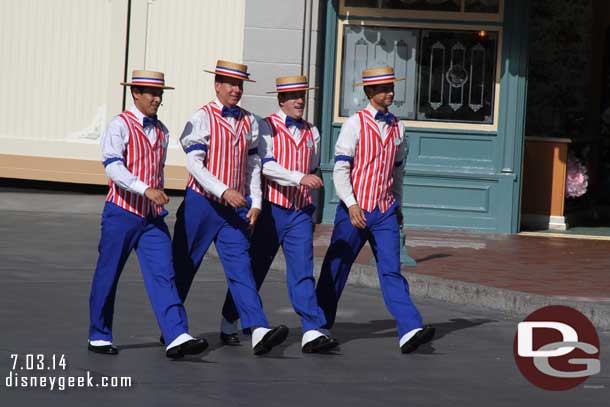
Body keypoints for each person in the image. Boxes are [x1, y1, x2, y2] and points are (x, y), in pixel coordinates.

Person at [315, 66, 435, 354]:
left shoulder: (398, 127)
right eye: (384, 89)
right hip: (355, 210)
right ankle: (318, 326)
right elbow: (341, 169)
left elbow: (398, 172)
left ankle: (409, 328)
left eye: (391, 87)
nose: (390, 92)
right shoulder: (354, 124)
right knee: (337, 266)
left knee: (391, 269)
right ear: (370, 93)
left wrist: (398, 205)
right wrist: (351, 204)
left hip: (384, 210)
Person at [88, 70, 207, 359]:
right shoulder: (120, 125)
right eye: (151, 93)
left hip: (152, 218)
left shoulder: (162, 131)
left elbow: (156, 167)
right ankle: (99, 334)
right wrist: (145, 189)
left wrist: (155, 195)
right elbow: (113, 168)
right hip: (122, 212)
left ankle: (176, 334)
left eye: (160, 94)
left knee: (164, 274)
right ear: (135, 94)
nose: (157, 98)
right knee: (109, 272)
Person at [173, 60, 288, 355]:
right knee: (185, 266)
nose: (236, 90)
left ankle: (258, 328)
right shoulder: (201, 118)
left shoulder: (250, 121)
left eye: (240, 85)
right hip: (202, 203)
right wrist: (223, 190)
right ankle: (172, 328)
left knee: (241, 269)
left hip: (234, 209)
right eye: (230, 84)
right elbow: (194, 165)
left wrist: (257, 201)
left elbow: (253, 164)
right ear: (217, 85)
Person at [221, 76, 338, 353]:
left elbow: (312, 165)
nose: (300, 101)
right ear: (281, 100)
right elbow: (267, 166)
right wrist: (300, 178)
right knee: (255, 268)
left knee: (302, 271)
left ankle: (312, 329)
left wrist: (304, 184)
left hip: (299, 212)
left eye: (302, 96)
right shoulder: (266, 126)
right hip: (273, 210)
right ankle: (229, 318)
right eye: (293, 96)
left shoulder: (314, 132)